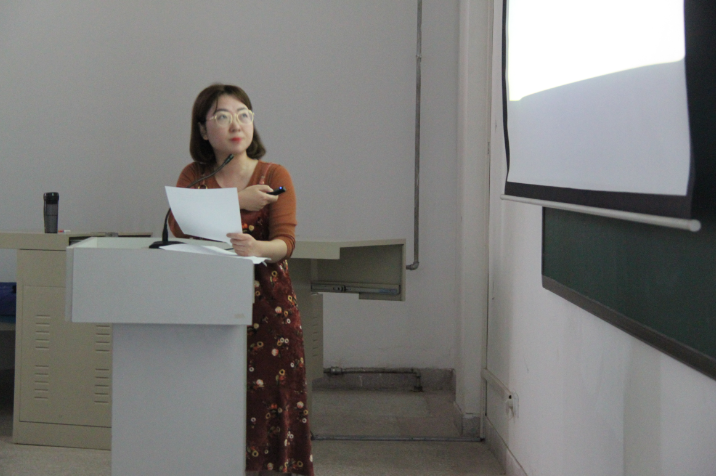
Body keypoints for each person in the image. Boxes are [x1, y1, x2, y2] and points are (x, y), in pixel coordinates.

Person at [169, 84, 314, 476]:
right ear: (203, 130)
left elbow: (285, 243)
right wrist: (239, 201)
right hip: (207, 307)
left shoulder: (273, 174)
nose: (236, 124)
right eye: (222, 116)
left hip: (268, 309)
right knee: (212, 401)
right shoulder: (195, 175)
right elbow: (178, 225)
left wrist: (256, 248)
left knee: (271, 405)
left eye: (243, 115)